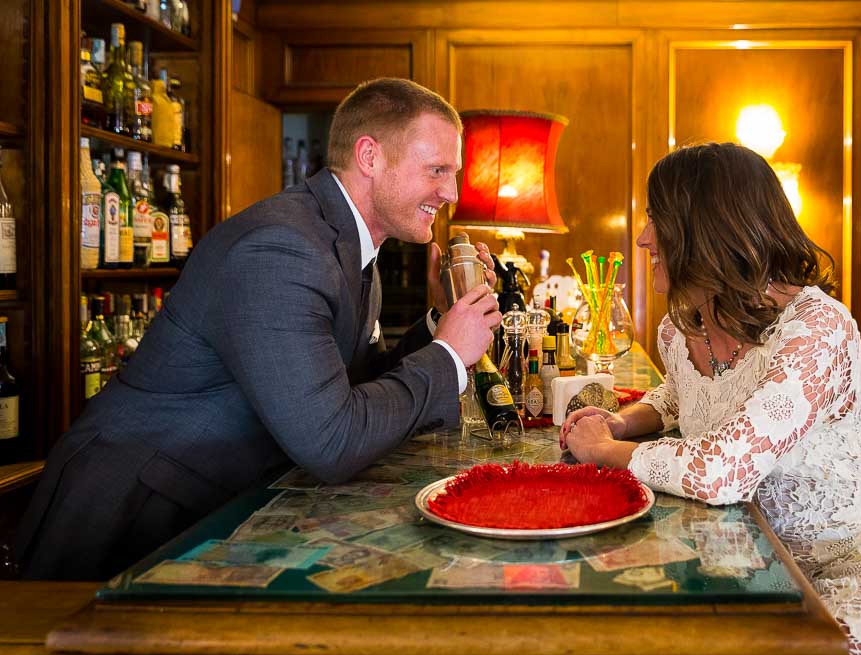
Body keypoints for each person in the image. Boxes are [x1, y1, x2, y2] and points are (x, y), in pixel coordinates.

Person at [17, 77, 501, 581]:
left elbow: (350, 386)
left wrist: (440, 323)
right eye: (438, 170)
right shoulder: (281, 249)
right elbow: (331, 441)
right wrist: (446, 355)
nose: (451, 192)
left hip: (208, 512)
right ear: (369, 156)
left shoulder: (349, 247)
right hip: (127, 524)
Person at [561, 143, 861, 655]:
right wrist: (623, 421)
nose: (645, 237)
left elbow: (723, 471)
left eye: (657, 218)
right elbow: (686, 392)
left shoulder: (817, 328)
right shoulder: (678, 328)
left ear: (709, 227)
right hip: (764, 571)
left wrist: (604, 450)